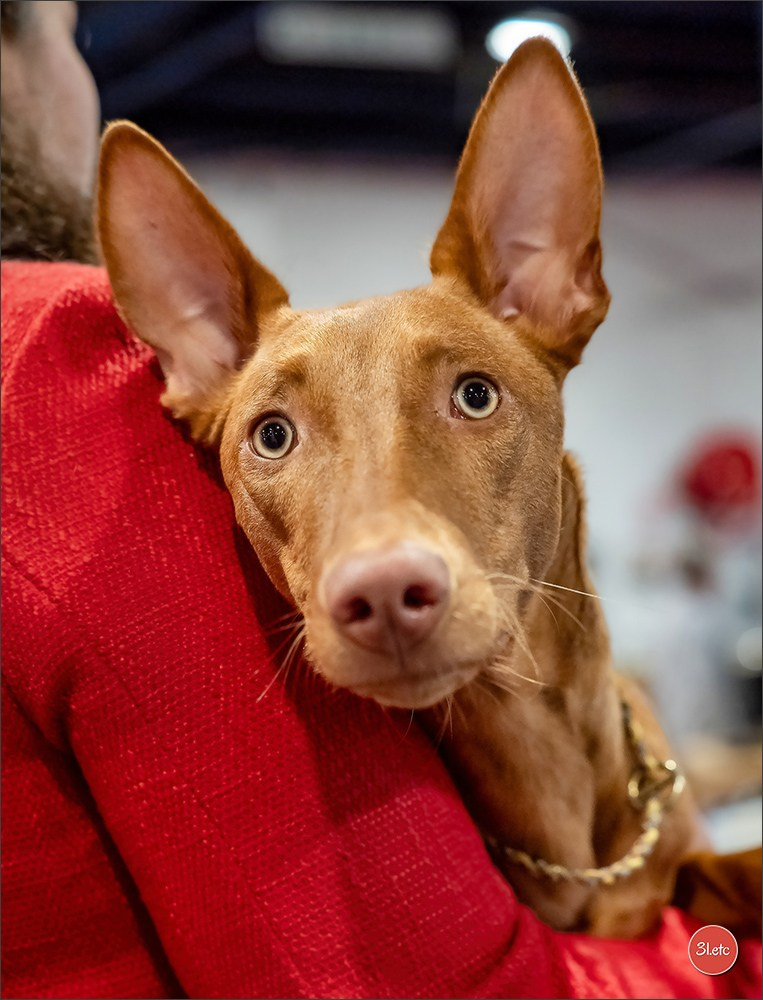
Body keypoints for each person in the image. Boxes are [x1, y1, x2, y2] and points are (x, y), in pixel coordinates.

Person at [2, 3, 760, 997]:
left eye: (472, 395)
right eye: (273, 434)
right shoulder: (60, 349)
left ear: (554, 284)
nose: (380, 563)